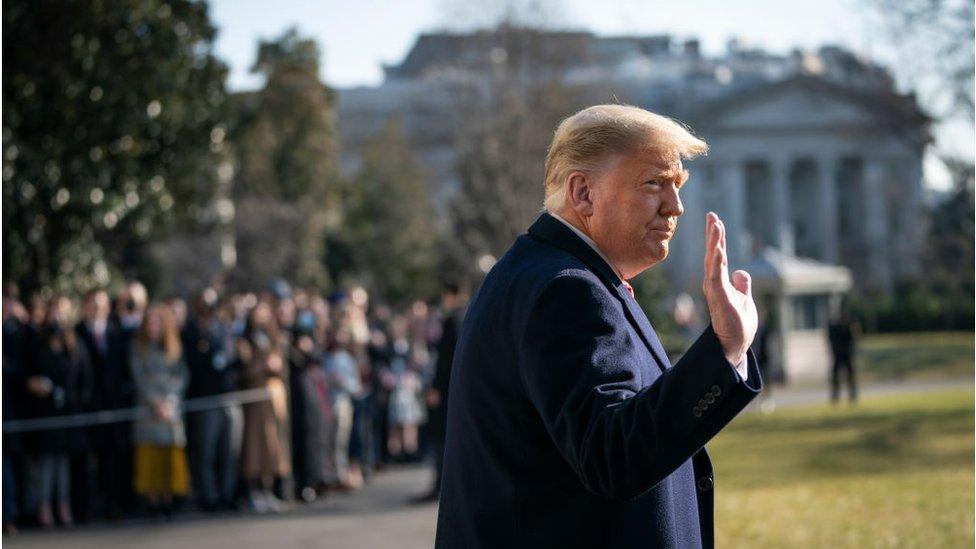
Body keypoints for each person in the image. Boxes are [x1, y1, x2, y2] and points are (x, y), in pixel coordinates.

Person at [435, 105, 763, 549]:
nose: (676, 206)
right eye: (654, 184)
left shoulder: (552, 275)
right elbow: (614, 456)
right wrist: (724, 348)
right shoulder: (565, 291)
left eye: (678, 185)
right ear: (583, 193)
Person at [129, 303, 190, 518]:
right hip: (149, 411)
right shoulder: (138, 347)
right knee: (150, 457)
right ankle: (152, 500)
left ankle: (169, 497)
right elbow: (139, 377)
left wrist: (171, 400)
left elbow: (181, 375)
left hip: (171, 410)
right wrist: (155, 401)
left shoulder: (174, 346)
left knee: (170, 456)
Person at [414, 279, 466, 503]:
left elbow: (445, 360)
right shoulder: (466, 315)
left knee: (441, 437)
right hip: (457, 388)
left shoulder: (452, 320)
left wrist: (435, 387)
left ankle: (440, 483)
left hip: (445, 390)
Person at [828, 311, 858, 404]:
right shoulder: (834, 328)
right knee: (836, 376)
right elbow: (831, 340)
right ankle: (835, 396)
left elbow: (854, 340)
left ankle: (852, 395)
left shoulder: (849, 327)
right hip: (838, 355)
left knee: (850, 376)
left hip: (847, 355)